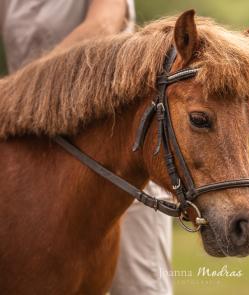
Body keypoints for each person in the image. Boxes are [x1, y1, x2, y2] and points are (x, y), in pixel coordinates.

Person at [0, 1, 173, 294]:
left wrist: (15, 90)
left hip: (114, 162)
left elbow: (102, 27)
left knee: (140, 288)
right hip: (29, 149)